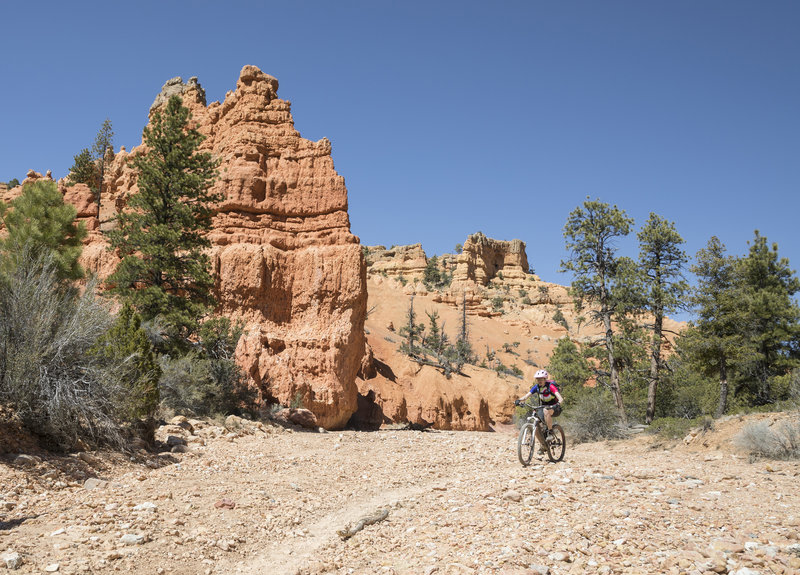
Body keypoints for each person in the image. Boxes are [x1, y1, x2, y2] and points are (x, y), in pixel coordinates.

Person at [515, 369, 563, 439]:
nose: (539, 381)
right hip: (543, 407)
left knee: (546, 411)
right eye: (538, 379)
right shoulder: (537, 387)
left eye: (541, 379)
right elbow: (526, 396)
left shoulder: (550, 386)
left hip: (555, 408)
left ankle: (550, 432)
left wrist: (557, 404)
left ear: (545, 379)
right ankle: (543, 446)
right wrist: (519, 400)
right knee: (537, 426)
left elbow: (561, 398)